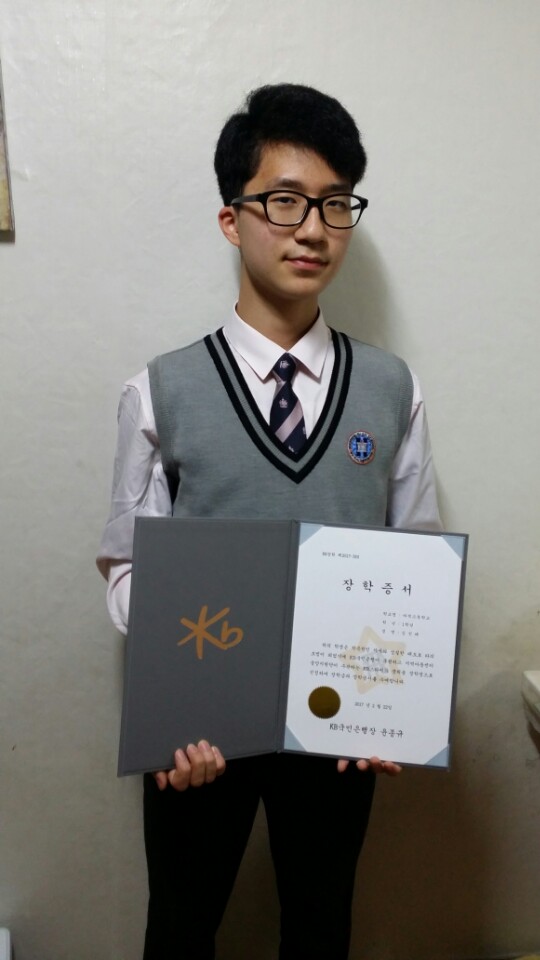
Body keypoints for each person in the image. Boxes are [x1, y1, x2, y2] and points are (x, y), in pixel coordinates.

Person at [97, 83, 441, 960]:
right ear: (232, 219)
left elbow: (415, 558)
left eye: (335, 203)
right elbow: (129, 567)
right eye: (285, 201)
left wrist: (391, 708)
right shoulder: (160, 390)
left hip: (341, 728)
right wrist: (180, 696)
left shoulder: (392, 389)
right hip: (197, 732)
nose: (313, 229)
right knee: (181, 930)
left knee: (321, 928)